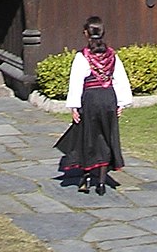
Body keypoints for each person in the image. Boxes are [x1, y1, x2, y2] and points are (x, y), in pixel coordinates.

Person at [54, 15, 132, 196]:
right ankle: (102, 182)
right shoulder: (112, 55)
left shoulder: (82, 56)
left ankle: (86, 176)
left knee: (88, 136)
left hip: (90, 99)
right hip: (108, 98)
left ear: (85, 33)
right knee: (106, 136)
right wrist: (121, 103)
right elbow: (120, 79)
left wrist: (74, 106)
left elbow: (76, 82)